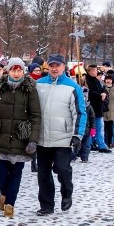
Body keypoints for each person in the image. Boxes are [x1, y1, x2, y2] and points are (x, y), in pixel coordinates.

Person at [0, 58, 41, 218]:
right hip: (0, 135)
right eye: (14, 70)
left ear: (23, 71)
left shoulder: (30, 89)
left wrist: (33, 139)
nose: (17, 73)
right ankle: (4, 194)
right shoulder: (0, 87)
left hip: (21, 136)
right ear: (8, 71)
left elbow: (35, 115)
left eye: (19, 70)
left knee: (16, 171)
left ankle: (10, 204)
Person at [34, 54, 85, 215]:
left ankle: (66, 192)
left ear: (64, 67)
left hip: (63, 137)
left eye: (58, 65)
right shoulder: (39, 84)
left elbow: (80, 112)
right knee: (43, 173)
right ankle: (46, 205)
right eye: (52, 65)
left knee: (62, 169)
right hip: (42, 137)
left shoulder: (72, 87)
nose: (54, 68)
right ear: (47, 67)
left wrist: (78, 135)